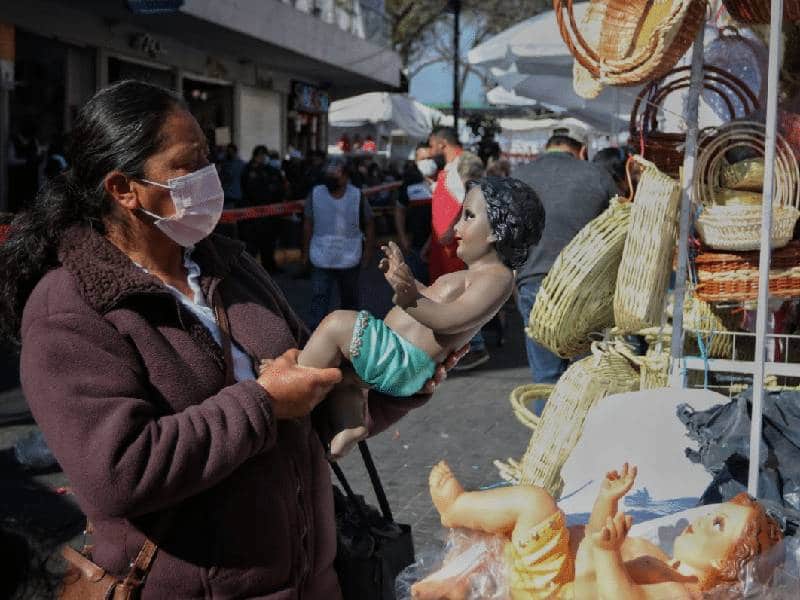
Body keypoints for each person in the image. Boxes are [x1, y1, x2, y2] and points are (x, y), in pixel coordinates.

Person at [0, 80, 459, 599]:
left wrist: (407, 376)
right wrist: (262, 403)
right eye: (187, 164)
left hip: (313, 583)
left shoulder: (230, 266)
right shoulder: (72, 307)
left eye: (208, 158)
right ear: (123, 189)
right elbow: (118, 472)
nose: (208, 177)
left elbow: (321, 399)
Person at [299, 177, 545, 457]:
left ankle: (296, 375)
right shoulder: (473, 275)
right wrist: (404, 279)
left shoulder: (497, 278)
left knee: (337, 324)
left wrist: (409, 299)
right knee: (348, 380)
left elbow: (451, 318)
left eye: (469, 216)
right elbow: (430, 300)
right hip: (396, 357)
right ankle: (350, 425)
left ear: (496, 232)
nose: (457, 226)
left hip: (402, 360)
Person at [412, 462, 784, 600]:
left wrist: (607, 552)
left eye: (717, 524)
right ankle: (456, 585)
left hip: (550, 591)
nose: (703, 519)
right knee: (507, 539)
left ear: (729, 566)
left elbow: (619, 596)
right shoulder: (660, 562)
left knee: (536, 504)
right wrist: (607, 501)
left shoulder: (680, 594)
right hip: (555, 576)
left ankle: (456, 510)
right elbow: (595, 538)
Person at [513, 125, 618, 398]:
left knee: (546, 379)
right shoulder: (597, 175)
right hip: (586, 288)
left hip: (533, 284)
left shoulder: (518, 177)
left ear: (549, 145)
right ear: (582, 150)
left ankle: (547, 439)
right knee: (588, 375)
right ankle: (584, 438)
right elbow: (618, 230)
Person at [428, 127, 491, 371]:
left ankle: (476, 347)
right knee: (449, 298)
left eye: (431, 144)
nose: (429, 150)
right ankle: (460, 349)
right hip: (442, 248)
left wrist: (450, 229)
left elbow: (473, 199)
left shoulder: (466, 163)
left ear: (442, 143)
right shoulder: (447, 170)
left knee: (462, 298)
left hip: (457, 247)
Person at [303, 156, 375, 329]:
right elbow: (307, 223)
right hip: (322, 256)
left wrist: (368, 252)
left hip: (349, 256)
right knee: (319, 301)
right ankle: (315, 337)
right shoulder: (315, 194)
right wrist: (304, 252)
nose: (331, 180)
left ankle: (352, 336)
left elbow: (369, 223)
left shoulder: (357, 196)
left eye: (335, 176)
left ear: (345, 176)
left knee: (350, 301)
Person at [239, 144, 286, 271]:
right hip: (253, 216)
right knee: (252, 245)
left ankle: (269, 266)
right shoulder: (249, 171)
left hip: (269, 216)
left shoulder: (271, 171)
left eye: (264, 155)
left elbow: (280, 188)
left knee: (268, 243)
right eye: (260, 155)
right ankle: (248, 270)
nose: (262, 158)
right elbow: (251, 191)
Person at [395, 144, 435, 283]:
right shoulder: (410, 183)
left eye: (429, 158)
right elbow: (400, 210)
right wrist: (402, 237)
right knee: (417, 290)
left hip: (440, 248)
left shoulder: (443, 182)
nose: (427, 162)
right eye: (423, 159)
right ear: (416, 161)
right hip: (416, 246)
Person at [218, 143, 246, 207]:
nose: (229, 154)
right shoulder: (224, 164)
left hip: (233, 195)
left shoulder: (241, 164)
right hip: (230, 194)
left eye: (230, 152)